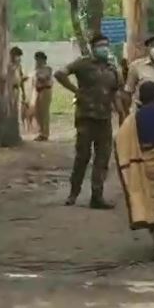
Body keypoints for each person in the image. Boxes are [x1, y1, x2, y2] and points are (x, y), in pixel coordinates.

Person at [55, 34, 124, 209]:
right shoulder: (83, 64)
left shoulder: (112, 68)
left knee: (102, 159)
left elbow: (116, 93)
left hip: (105, 119)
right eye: (101, 45)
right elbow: (60, 73)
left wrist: (123, 115)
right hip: (86, 117)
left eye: (106, 45)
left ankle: (97, 196)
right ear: (93, 48)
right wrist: (75, 90)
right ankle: (73, 193)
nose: (104, 48)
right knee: (82, 157)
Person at [115, 81, 154, 263]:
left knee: (149, 200)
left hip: (147, 164)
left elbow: (120, 138)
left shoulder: (135, 118)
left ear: (141, 97)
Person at [32, 51, 53, 141]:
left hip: (45, 90)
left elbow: (44, 78)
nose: (37, 61)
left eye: (38, 59)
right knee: (38, 112)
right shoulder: (37, 69)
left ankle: (45, 133)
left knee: (44, 112)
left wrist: (37, 73)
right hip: (39, 91)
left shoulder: (47, 68)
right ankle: (41, 131)